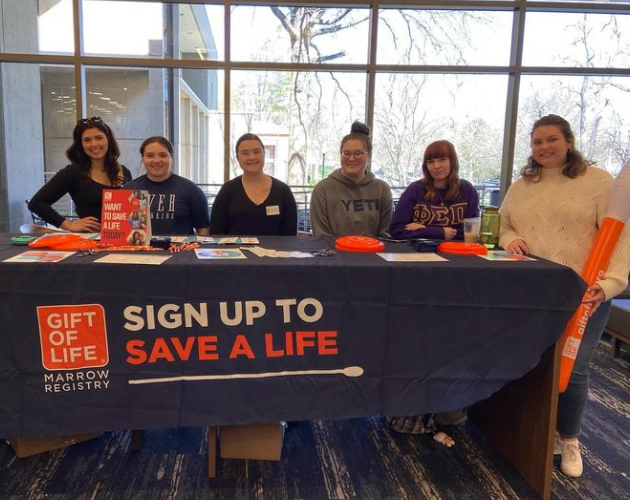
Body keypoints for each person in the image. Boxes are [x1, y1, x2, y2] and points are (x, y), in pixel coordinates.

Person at [500, 114, 630, 477]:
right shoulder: (523, 184)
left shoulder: (599, 182)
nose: (544, 148)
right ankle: (532, 429)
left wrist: (612, 284)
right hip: (532, 292)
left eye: (551, 140)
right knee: (533, 361)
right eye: (537, 142)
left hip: (584, 292)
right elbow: (505, 223)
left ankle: (569, 439)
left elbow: (620, 235)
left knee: (573, 369)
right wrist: (510, 240)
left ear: (568, 141)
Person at [28, 117, 132, 232]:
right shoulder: (73, 173)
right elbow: (36, 203)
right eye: (87, 140)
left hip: (122, 241)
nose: (94, 144)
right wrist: (69, 225)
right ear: (81, 144)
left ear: (108, 139)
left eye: (99, 138)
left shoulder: (124, 172)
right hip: (90, 242)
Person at [310, 122, 393, 238]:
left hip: (372, 254)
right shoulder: (322, 190)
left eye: (358, 153)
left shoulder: (382, 189)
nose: (351, 158)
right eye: (346, 153)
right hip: (335, 254)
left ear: (368, 156)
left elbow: (384, 235)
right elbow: (322, 237)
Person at [389, 140, 479, 240]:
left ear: (452, 161)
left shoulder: (467, 190)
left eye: (442, 159)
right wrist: (439, 232)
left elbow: (471, 232)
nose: (436, 166)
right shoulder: (415, 189)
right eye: (431, 162)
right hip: (419, 251)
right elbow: (396, 230)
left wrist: (423, 230)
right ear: (425, 166)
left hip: (455, 251)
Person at [209, 133, 297, 235]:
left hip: (274, 251)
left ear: (264, 154)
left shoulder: (283, 191)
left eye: (257, 152)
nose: (251, 157)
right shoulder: (227, 190)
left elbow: (290, 236)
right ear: (237, 158)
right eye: (245, 153)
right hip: (235, 251)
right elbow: (216, 233)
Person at [124, 136, 209, 236]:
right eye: (150, 156)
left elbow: (203, 229)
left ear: (171, 157)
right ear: (142, 158)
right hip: (140, 251)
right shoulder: (128, 191)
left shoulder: (190, 190)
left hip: (181, 251)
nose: (156, 160)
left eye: (163, 155)